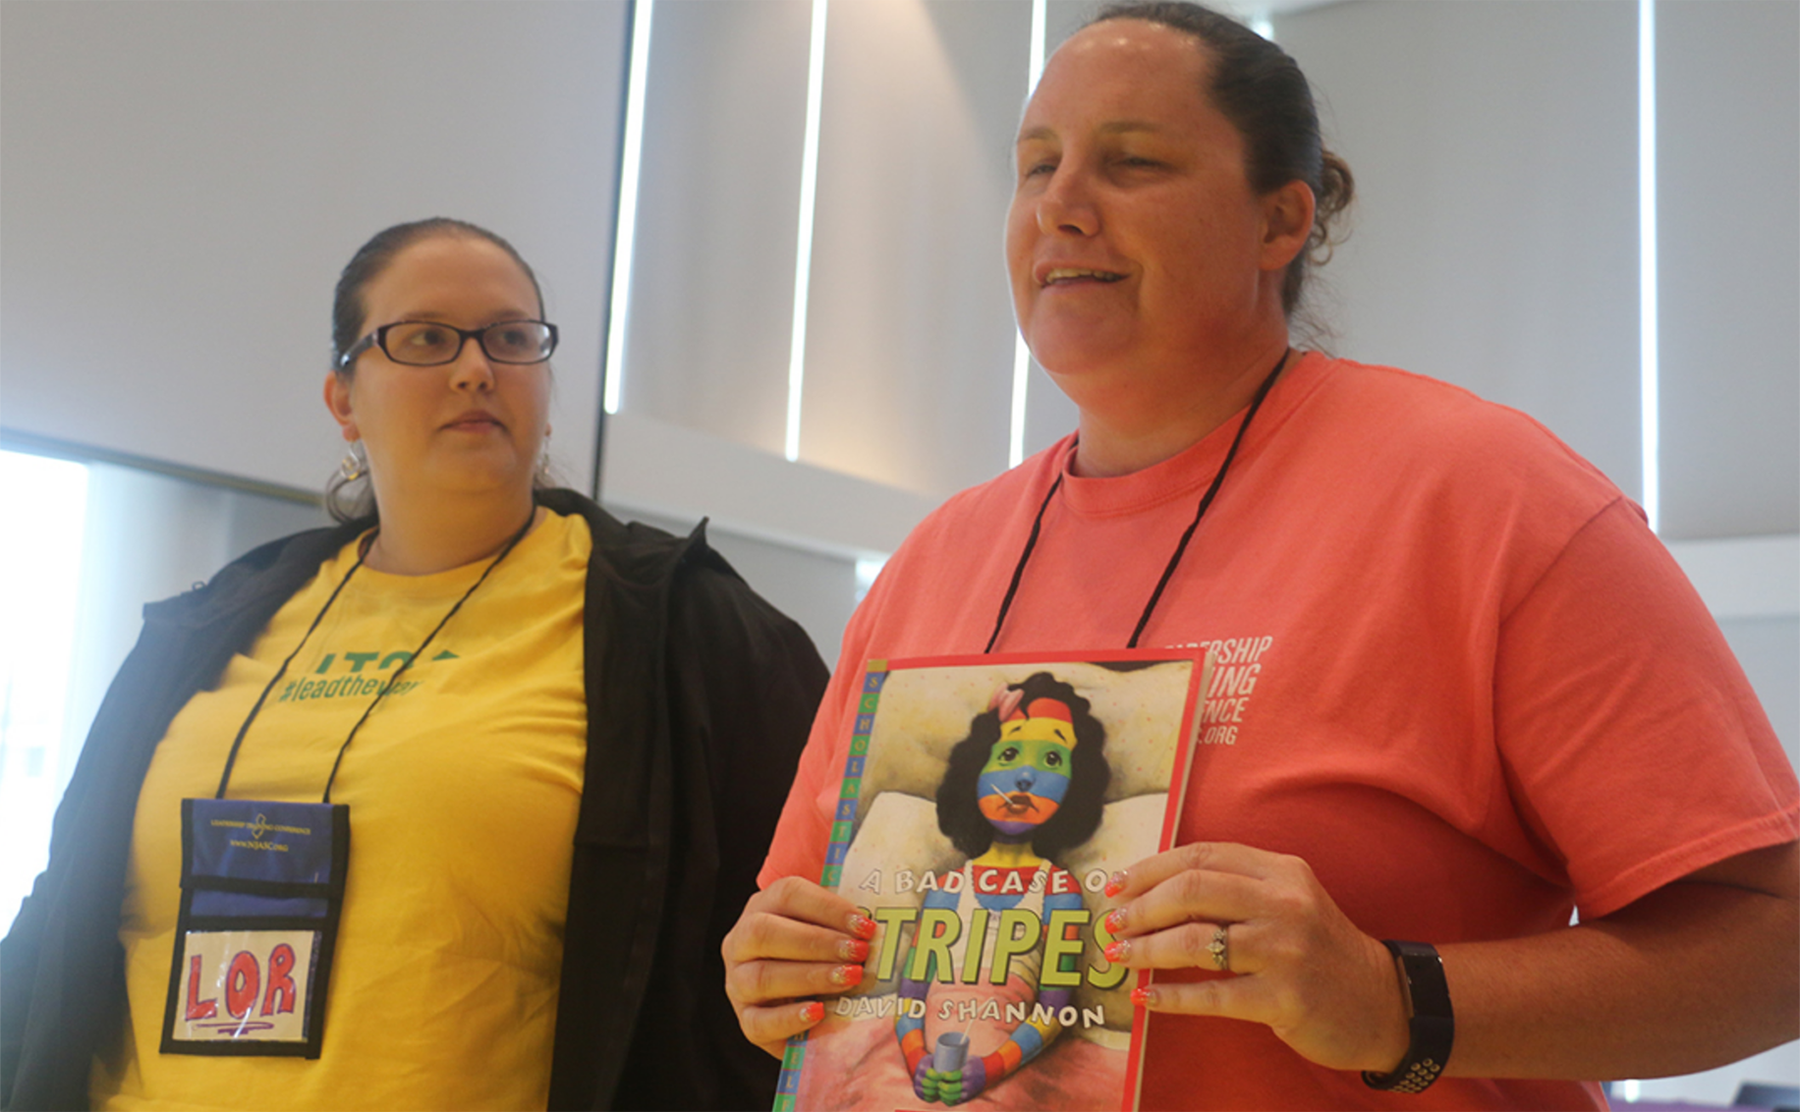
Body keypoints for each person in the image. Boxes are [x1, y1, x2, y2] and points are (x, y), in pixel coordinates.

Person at [721, 4, 1800, 1109]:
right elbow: (801, 934)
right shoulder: (934, 562)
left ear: (1280, 220)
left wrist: (1392, 998)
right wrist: (773, 972)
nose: (1060, 205)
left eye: (1132, 162)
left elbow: (1775, 942)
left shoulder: (1485, 497)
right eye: (1037, 164)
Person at [0, 217, 829, 1112]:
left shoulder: (680, 628)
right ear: (343, 400)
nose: (476, 367)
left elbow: (805, 938)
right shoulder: (210, 624)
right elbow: (58, 926)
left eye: (511, 338)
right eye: (426, 339)